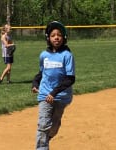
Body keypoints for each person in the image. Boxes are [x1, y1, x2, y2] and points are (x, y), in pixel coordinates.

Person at [32, 21, 75, 150]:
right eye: (53, 35)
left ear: (64, 38)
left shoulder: (67, 55)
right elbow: (41, 72)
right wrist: (35, 83)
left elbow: (70, 78)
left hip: (61, 96)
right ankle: (42, 146)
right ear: (48, 38)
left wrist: (54, 93)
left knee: (54, 127)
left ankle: (46, 139)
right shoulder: (44, 55)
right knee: (43, 125)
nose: (56, 37)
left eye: (59, 35)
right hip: (45, 94)